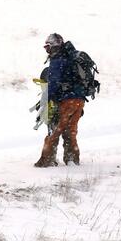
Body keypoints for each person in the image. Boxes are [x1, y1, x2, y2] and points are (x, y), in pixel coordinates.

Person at [34, 34, 85, 167]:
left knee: (54, 129)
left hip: (66, 101)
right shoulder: (72, 56)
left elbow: (54, 83)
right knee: (71, 130)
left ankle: (47, 160)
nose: (47, 50)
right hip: (79, 100)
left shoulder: (58, 59)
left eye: (48, 47)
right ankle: (72, 159)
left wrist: (47, 100)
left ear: (54, 46)